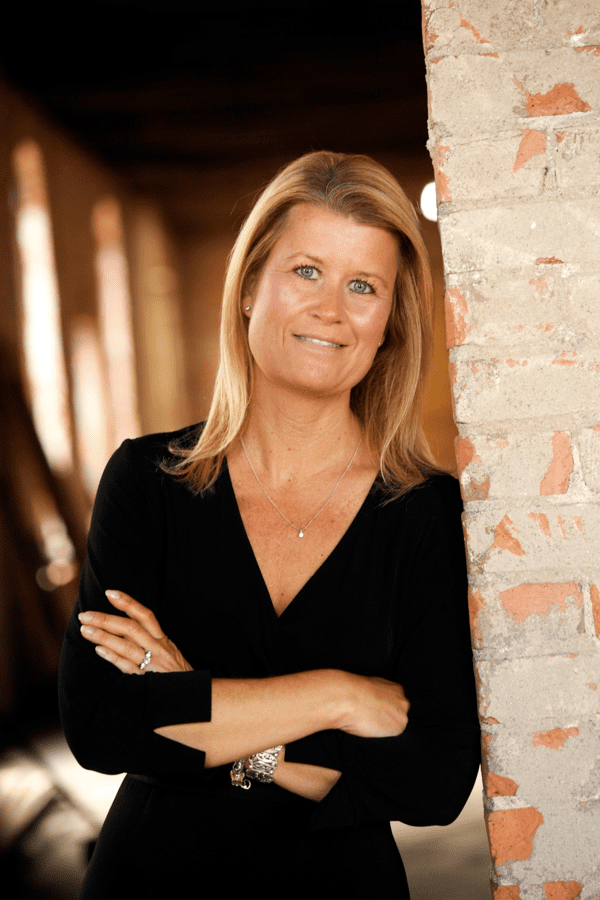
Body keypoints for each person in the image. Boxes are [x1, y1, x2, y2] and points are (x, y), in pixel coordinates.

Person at [58, 151, 480, 900]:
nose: (331, 310)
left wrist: (190, 700)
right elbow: (101, 724)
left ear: (389, 322)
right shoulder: (147, 482)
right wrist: (338, 695)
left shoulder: (428, 516)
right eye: (306, 271)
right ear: (250, 287)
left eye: (363, 286)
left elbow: (433, 780)